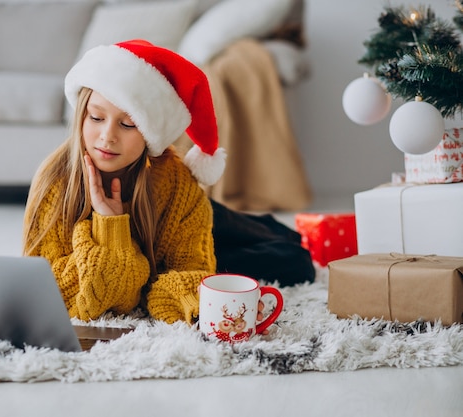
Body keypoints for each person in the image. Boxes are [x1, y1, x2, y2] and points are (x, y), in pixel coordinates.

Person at [22, 39, 313, 326]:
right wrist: (111, 227)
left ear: (150, 133)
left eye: (127, 124)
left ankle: (276, 226)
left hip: (182, 220)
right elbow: (57, 289)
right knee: (293, 260)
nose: (107, 136)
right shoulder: (55, 181)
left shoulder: (177, 184)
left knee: (287, 249)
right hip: (162, 254)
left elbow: (182, 272)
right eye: (96, 117)